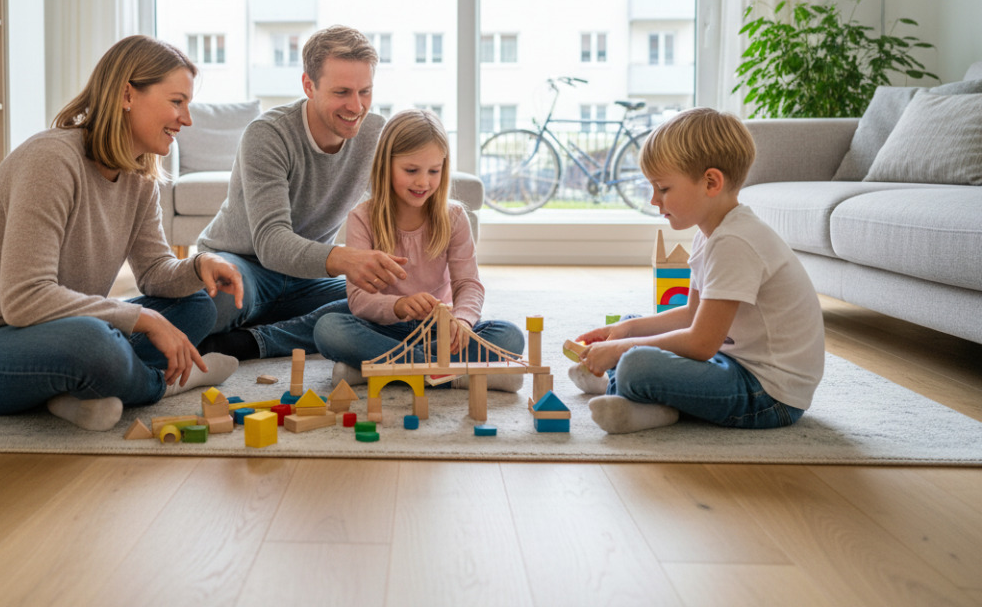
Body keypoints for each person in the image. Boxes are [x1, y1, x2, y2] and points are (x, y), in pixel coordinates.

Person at [0, 35, 244, 432]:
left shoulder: (139, 178)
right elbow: (24, 300)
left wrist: (200, 265)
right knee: (94, 344)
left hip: (53, 332)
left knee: (198, 304)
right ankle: (158, 386)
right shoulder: (52, 160)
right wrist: (144, 319)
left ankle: (76, 395)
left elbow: (153, 272)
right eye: (176, 101)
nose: (187, 119)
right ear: (128, 95)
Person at [567, 107, 824, 434]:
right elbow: (691, 315)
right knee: (633, 326)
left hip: (769, 395)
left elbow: (701, 343)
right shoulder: (710, 233)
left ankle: (640, 401)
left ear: (711, 182)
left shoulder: (735, 242)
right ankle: (625, 387)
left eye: (663, 188)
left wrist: (621, 349)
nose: (653, 200)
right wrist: (626, 331)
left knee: (635, 361)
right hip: (733, 362)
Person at [195, 25, 407, 360]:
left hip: (309, 276)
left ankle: (251, 342)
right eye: (342, 92)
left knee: (399, 302)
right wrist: (344, 258)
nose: (356, 106)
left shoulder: (376, 133)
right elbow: (271, 244)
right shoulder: (268, 134)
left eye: (364, 92)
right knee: (214, 301)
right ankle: (281, 324)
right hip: (244, 264)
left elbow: (399, 212)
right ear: (308, 85)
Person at [313, 109, 525, 391]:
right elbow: (359, 299)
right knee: (328, 329)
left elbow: (469, 284)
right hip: (382, 329)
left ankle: (383, 370)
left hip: (441, 331)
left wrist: (462, 321)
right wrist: (399, 306)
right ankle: (447, 373)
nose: (424, 182)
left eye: (434, 171)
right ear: (386, 166)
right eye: (411, 170)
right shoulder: (362, 218)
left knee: (510, 336)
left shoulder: (454, 217)